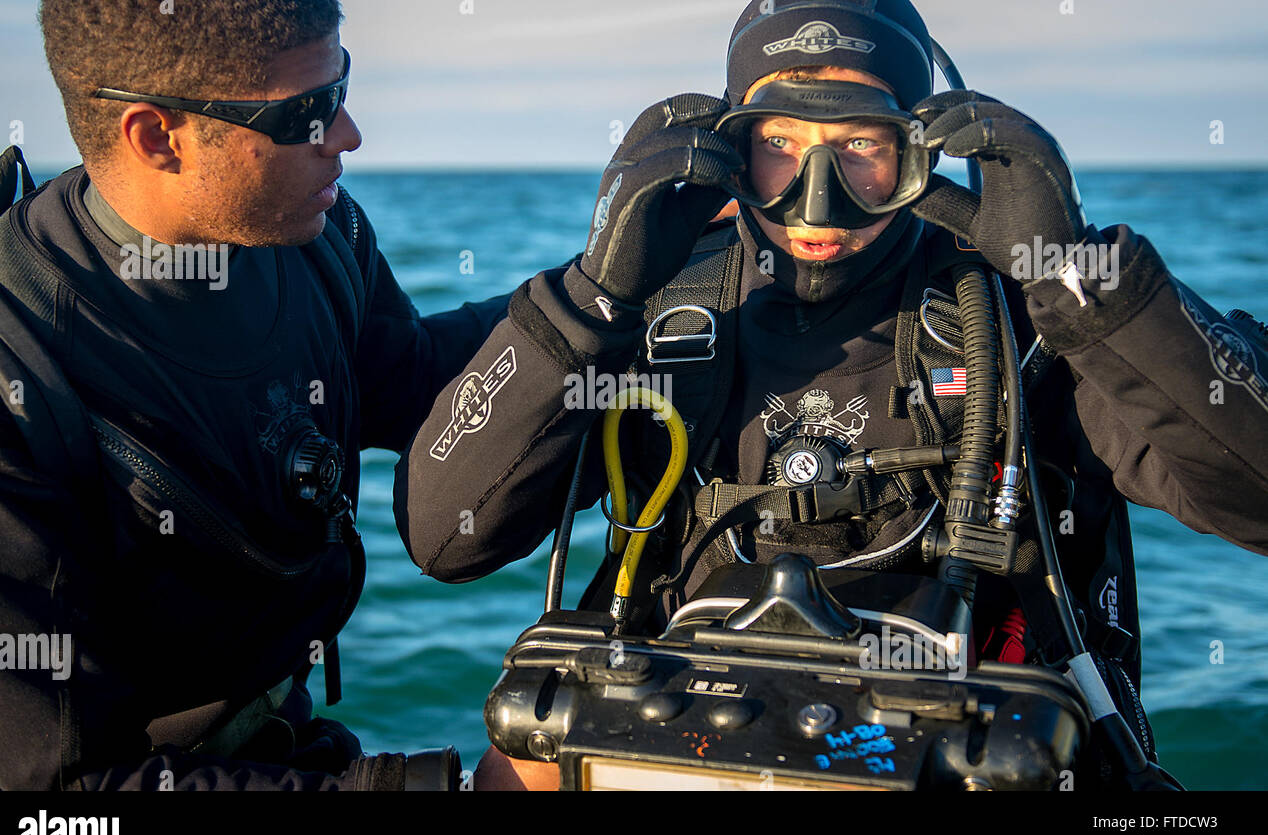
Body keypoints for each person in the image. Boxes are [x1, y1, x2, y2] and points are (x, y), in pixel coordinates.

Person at [400, 0, 1268, 790]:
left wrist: (1082, 276)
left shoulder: (1020, 321)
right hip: (682, 742)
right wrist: (594, 297)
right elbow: (444, 537)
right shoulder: (653, 305)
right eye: (780, 145)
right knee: (518, 762)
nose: (818, 202)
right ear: (730, 148)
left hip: (965, 746)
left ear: (919, 150)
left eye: (861, 147)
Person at [0, 0, 511, 790]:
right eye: (308, 113)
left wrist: (609, 293)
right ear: (157, 137)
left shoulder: (320, 240)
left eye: (342, 85)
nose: (349, 134)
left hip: (293, 744)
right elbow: (55, 807)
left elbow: (415, 382)